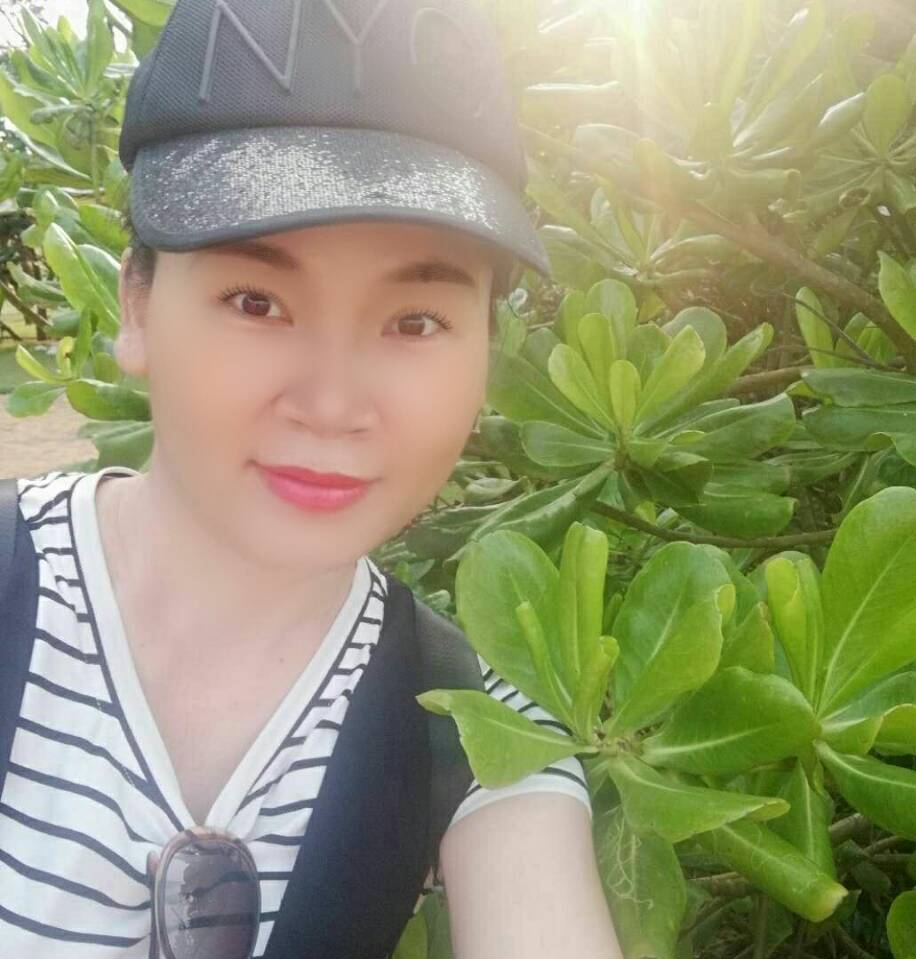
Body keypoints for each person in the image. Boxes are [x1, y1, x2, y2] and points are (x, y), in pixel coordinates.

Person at [0, 0, 624, 956]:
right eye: (256, 300)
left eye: (414, 321)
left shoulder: (477, 740)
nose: (332, 404)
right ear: (136, 305)